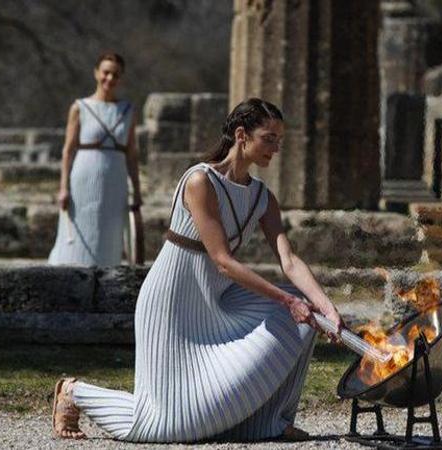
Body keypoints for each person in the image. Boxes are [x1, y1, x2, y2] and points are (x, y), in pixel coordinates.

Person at [50, 98, 344, 443]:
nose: (276, 148)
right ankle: (75, 393)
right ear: (241, 135)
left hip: (216, 304)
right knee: (165, 425)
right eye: (269, 138)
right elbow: (222, 260)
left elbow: (289, 260)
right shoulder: (200, 181)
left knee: (302, 318)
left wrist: (325, 306)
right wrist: (287, 300)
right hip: (172, 304)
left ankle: (270, 422)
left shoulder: (264, 197)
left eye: (280, 140)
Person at [48, 52, 143, 266]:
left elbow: (132, 154)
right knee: (79, 231)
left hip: (115, 180)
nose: (110, 78)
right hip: (83, 178)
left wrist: (136, 191)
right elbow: (68, 150)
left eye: (115, 75)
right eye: (106, 72)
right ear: (96, 73)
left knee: (109, 232)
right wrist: (63, 187)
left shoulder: (127, 111)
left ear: (121, 78)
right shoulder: (80, 107)